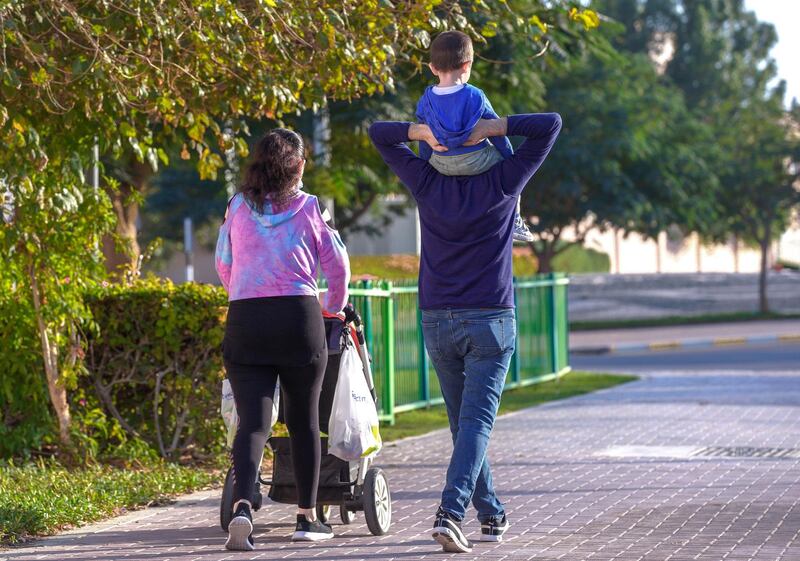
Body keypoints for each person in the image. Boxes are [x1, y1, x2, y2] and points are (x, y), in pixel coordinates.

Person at [369, 111, 561, 553]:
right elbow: (549, 124)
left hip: (438, 317)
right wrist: (491, 128)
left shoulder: (425, 182)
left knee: (463, 425)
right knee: (473, 423)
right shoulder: (504, 181)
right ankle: (450, 513)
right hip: (490, 318)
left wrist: (421, 133)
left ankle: (490, 511)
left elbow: (380, 133)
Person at [215, 128, 350, 550]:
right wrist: (334, 305)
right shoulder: (312, 208)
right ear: (300, 167)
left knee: (253, 423)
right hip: (299, 319)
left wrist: (244, 293)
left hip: (246, 320)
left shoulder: (236, 206)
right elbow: (339, 266)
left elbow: (223, 263)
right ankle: (307, 518)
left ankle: (242, 507)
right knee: (303, 421)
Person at [414, 30, 533, 243]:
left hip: (441, 163)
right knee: (510, 174)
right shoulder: (475, 95)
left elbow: (424, 138)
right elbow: (496, 130)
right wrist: (509, 159)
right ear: (467, 65)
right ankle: (514, 218)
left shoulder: (426, 99)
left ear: (432, 68)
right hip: (477, 162)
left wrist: (426, 166)